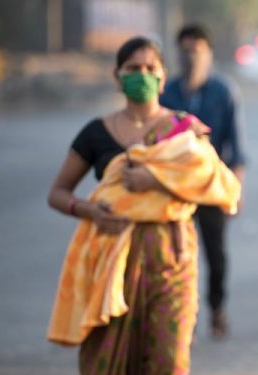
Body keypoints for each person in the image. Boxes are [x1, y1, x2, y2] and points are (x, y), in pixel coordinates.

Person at [46, 36, 241, 374]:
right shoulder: (96, 132)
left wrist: (157, 179)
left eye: (150, 68)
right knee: (108, 361)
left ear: (163, 77)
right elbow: (58, 192)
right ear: (117, 76)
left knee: (169, 361)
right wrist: (89, 210)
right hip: (110, 262)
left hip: (172, 261)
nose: (142, 74)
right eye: (133, 68)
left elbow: (221, 186)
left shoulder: (185, 132)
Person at [160, 24, 246, 339]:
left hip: (211, 185)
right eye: (185, 50)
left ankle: (216, 308)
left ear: (208, 53)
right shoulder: (167, 92)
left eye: (196, 50)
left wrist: (236, 188)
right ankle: (181, 312)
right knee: (176, 253)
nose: (190, 57)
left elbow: (236, 147)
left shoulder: (224, 91)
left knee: (216, 254)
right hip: (173, 186)